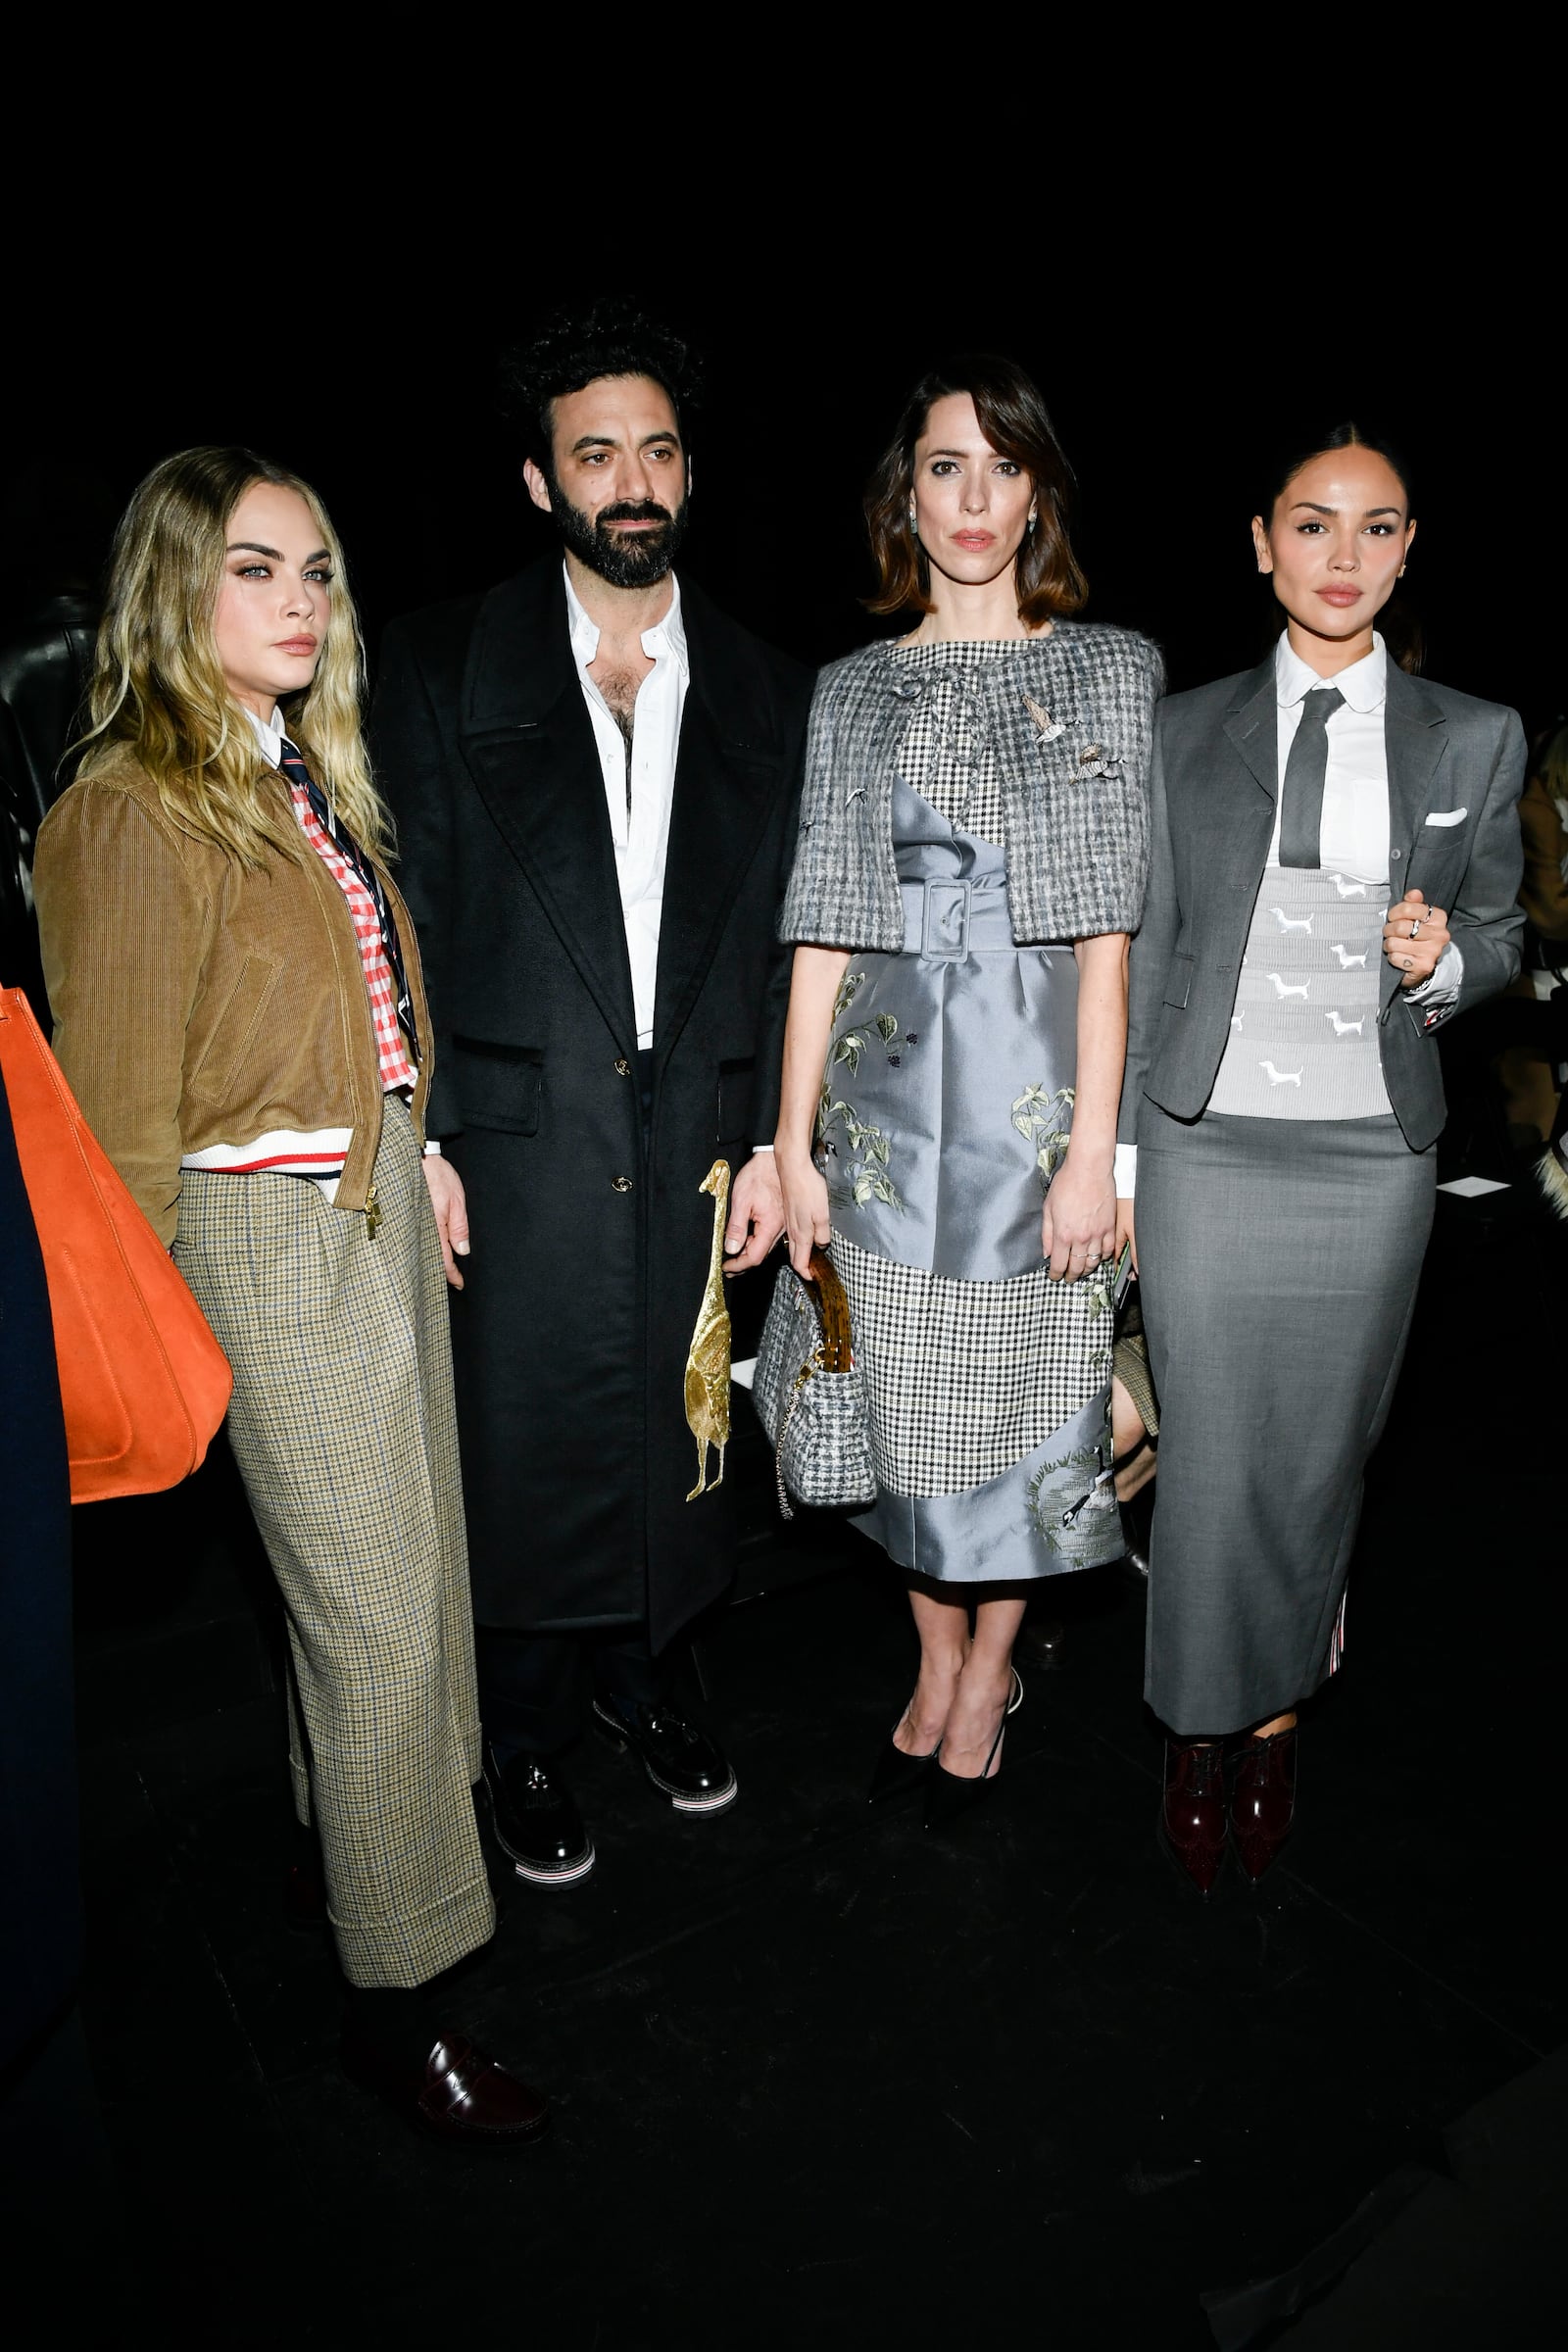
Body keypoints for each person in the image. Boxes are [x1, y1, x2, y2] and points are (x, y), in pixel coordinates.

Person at [33, 448, 548, 2144]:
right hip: (260, 1242)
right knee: (380, 1620)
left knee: (414, 1584)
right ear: (176, 591)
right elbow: (115, 1127)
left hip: (375, 1201)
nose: (303, 601)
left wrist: (419, 1142)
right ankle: (404, 2005)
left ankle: (363, 1865)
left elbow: (348, 1008)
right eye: (259, 569)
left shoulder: (294, 779)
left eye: (319, 569)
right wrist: (168, 1329)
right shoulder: (125, 807)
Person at [371, 301, 811, 1888]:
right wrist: (409, 1126)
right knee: (528, 1440)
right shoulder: (431, 670)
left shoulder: (773, 689)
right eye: (595, 453)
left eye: (658, 451)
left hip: (702, 1133)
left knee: (683, 1436)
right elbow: (389, 918)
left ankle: (650, 1681)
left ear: (692, 475)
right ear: (538, 480)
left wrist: (779, 1131)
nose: (632, 483)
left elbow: (788, 944)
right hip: (512, 1142)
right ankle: (526, 1725)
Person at [1117, 424, 1526, 1893]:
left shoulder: (1475, 735)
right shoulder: (1181, 730)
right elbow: (1149, 944)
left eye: (1377, 528)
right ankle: (1195, 1725)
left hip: (1368, 1154)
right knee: (1217, 1454)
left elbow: (1502, 931)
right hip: (1206, 1145)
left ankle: (1274, 1718)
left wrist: (1445, 964)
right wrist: (1112, 1158)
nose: (1343, 557)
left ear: (1410, 548)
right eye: (1313, 525)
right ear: (1260, 541)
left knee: (1321, 1458)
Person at [773, 357, 1161, 1827]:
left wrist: (1098, 1156)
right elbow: (821, 925)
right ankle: (933, 1659)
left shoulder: (1110, 670)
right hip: (876, 1110)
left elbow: (1107, 939)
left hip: (1033, 1109)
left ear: (1039, 492)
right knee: (895, 1407)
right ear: (906, 495)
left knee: (1023, 1406)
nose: (976, 499)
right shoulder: (852, 689)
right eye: (947, 468)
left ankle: (989, 1669)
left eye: (1005, 469)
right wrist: (789, 1141)